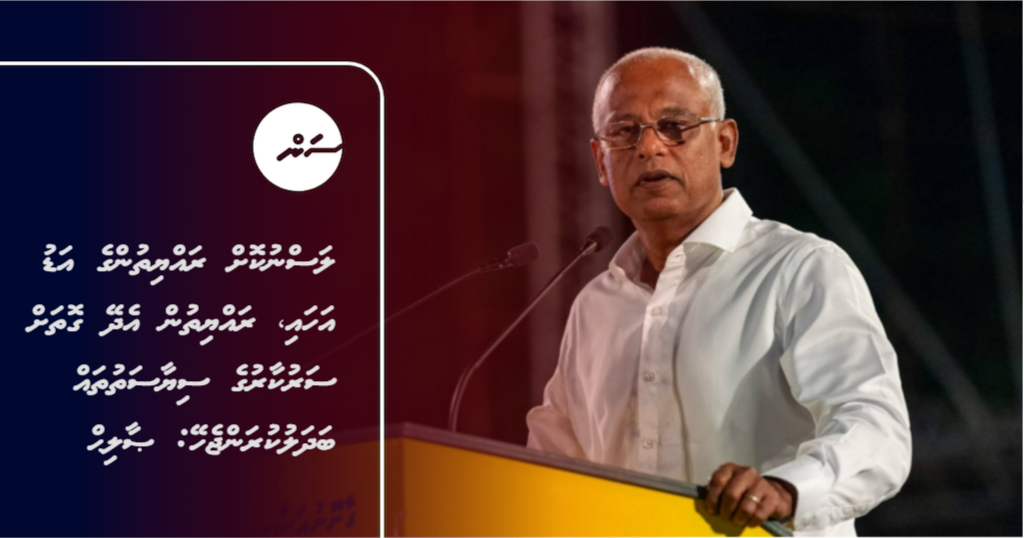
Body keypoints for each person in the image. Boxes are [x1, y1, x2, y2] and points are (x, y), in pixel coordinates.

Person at [526, 47, 911, 538]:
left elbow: (875, 427)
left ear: (725, 143)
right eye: (624, 132)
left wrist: (786, 490)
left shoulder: (798, 268)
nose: (649, 147)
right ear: (601, 161)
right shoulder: (596, 306)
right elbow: (551, 467)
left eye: (674, 126)